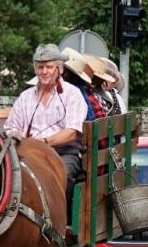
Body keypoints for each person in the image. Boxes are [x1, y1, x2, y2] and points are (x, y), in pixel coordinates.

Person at [6, 43, 88, 184]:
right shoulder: (25, 97)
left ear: (60, 69)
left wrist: (44, 142)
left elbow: (72, 132)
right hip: (28, 152)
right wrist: (15, 135)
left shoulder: (72, 94)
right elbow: (10, 127)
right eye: (40, 67)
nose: (44, 72)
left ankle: (63, 206)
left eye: (49, 67)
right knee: (9, 178)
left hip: (64, 152)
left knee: (58, 177)